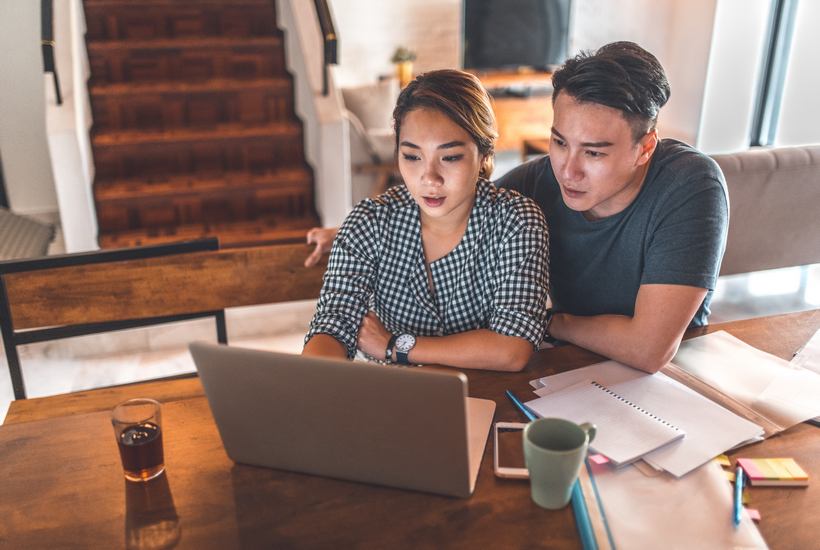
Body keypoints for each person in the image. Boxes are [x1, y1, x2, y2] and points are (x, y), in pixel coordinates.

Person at [304, 42, 729, 374]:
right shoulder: (538, 182)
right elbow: (452, 205)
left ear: (644, 149)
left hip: (671, 378)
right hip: (566, 370)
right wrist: (349, 233)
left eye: (594, 154)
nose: (568, 170)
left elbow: (649, 349)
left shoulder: (689, 184)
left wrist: (546, 323)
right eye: (559, 142)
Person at [302, 69, 550, 371]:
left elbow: (512, 348)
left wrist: (395, 345)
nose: (429, 178)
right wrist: (310, 382)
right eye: (412, 156)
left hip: (491, 396)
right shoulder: (368, 223)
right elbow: (333, 324)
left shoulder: (516, 222)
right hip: (399, 398)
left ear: (484, 153)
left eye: (450, 157)